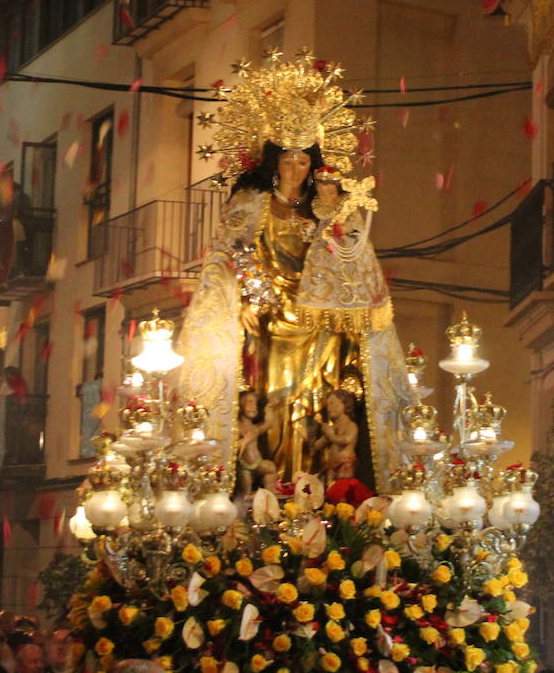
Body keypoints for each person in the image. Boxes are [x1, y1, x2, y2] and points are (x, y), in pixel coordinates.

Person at [174, 53, 410, 494]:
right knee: (272, 402)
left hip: (316, 321)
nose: (295, 169)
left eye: (304, 161)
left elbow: (356, 262)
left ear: (316, 163)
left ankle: (314, 485)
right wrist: (248, 296)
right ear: (272, 160)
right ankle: (267, 484)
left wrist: (332, 220)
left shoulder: (332, 209)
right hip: (265, 320)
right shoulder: (249, 203)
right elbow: (227, 258)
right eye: (288, 160)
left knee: (314, 402)